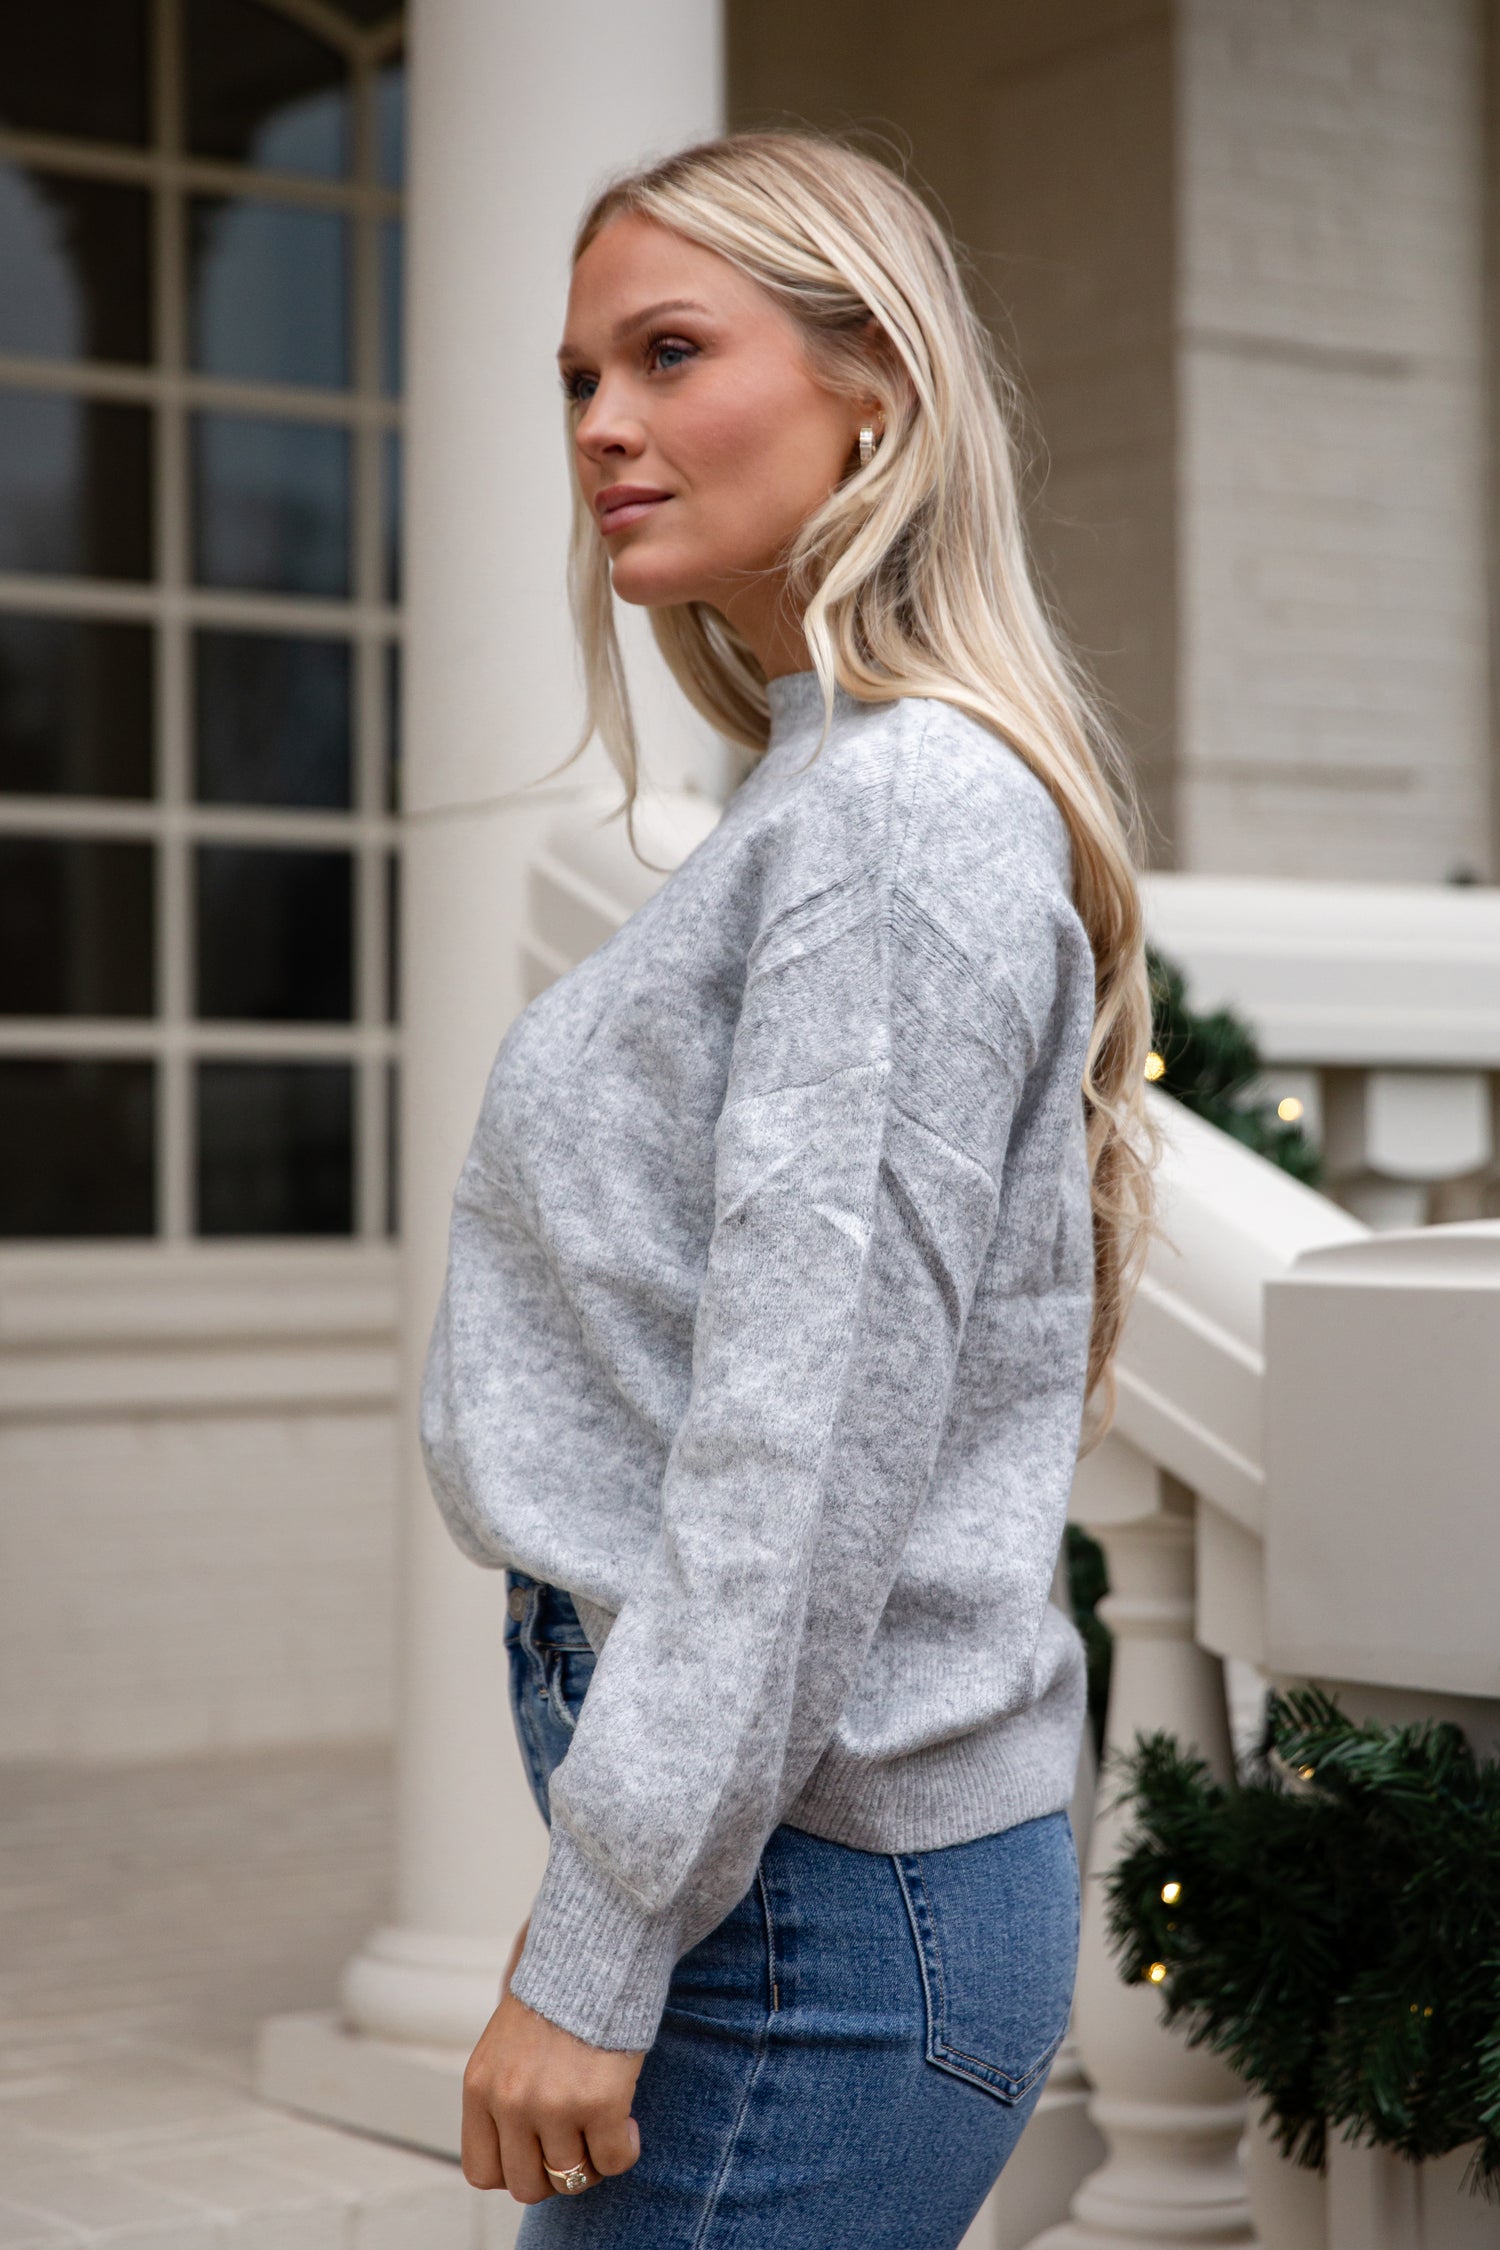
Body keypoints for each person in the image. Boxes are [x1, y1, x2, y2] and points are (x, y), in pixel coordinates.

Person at [419, 129, 1159, 2249]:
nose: (601, 423)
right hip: (792, 1882)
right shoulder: (820, 786)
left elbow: (798, 1452)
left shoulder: (898, 813)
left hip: (820, 1926)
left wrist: (599, 1941)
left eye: (669, 353)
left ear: (875, 392)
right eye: (580, 377)